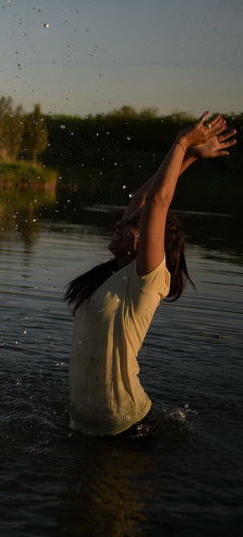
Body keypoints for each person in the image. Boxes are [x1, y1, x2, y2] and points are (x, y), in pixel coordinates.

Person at [65, 112, 235, 439]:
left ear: (147, 237)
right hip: (83, 425)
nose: (121, 221)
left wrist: (183, 141)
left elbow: (158, 202)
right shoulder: (116, 273)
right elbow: (145, 199)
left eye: (133, 224)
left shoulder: (146, 279)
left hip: (125, 428)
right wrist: (190, 157)